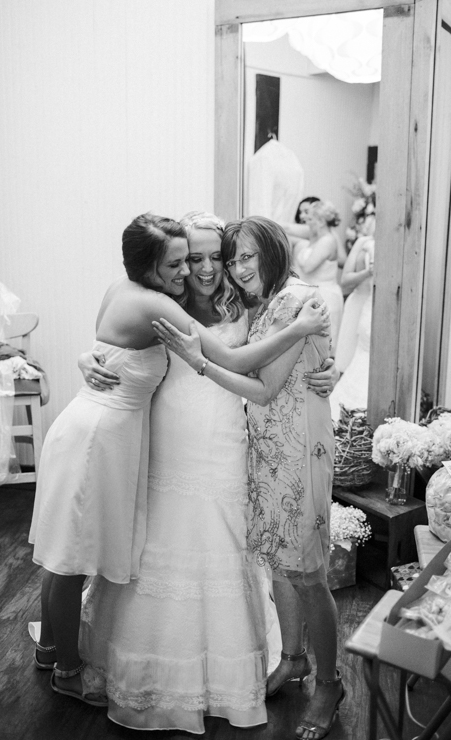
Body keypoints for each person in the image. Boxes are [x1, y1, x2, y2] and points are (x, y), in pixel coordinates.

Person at [29, 212, 330, 709]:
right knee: (103, 549)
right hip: (163, 440)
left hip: (222, 444)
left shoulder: (247, 303)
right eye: (194, 259)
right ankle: (82, 657)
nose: (208, 268)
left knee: (214, 543)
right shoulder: (163, 302)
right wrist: (88, 358)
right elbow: (119, 340)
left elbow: (275, 360)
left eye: (219, 257)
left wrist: (327, 367)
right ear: (175, 264)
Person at [155, 216, 343, 740]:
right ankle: (293, 659)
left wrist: (198, 363)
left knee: (307, 572)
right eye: (231, 259)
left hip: (300, 449)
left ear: (274, 252)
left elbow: (261, 389)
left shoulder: (296, 301)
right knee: (278, 563)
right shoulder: (263, 306)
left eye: (244, 257)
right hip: (266, 450)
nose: (235, 269)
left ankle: (329, 683)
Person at [285, 201, 345, 353]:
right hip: (316, 294)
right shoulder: (316, 241)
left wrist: (299, 247)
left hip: (327, 296)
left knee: (325, 344)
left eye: (310, 220)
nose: (307, 224)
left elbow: (308, 266)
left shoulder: (328, 240)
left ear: (321, 221)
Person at [331, 232, 375, 422]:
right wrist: (369, 271)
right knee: (347, 358)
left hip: (375, 306)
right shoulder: (363, 242)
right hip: (357, 304)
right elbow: (346, 281)